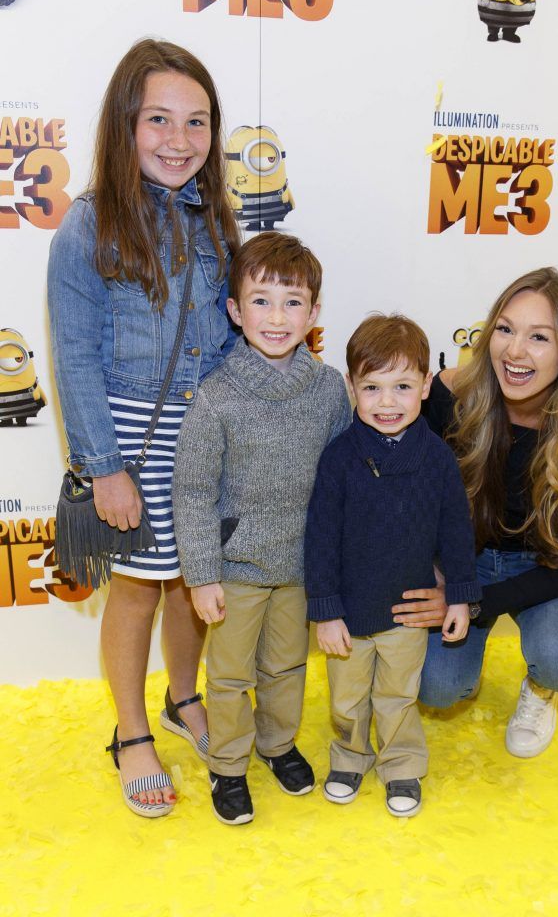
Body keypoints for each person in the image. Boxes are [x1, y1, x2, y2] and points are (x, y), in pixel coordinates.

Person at [47, 38, 240, 817]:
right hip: (127, 440)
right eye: (158, 118)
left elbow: (225, 344)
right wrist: (105, 468)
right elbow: (72, 359)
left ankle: (183, 698)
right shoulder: (86, 227)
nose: (178, 140)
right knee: (135, 592)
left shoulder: (215, 222)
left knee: (196, 587)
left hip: (200, 441)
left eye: (196, 122)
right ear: (125, 125)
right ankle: (131, 733)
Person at [392, 268, 558, 758]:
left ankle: (541, 690)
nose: (515, 351)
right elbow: (405, 493)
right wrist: (436, 571)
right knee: (437, 689)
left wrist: (470, 602)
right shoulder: (449, 397)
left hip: (543, 569)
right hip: (462, 558)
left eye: (540, 337)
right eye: (506, 329)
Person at [172, 232, 351, 826]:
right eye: (262, 300)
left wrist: (340, 563)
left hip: (301, 567)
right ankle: (228, 764)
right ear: (234, 310)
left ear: (315, 313)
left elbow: (342, 481)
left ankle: (277, 745)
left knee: (287, 667)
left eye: (293, 301)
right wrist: (201, 575)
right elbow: (194, 489)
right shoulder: (217, 395)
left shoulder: (329, 391)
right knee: (227, 675)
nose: (277, 317)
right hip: (235, 568)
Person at [304, 315, 481, 817]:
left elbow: (455, 534)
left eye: (402, 386)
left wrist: (462, 597)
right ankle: (350, 757)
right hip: (349, 616)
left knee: (398, 696)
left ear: (426, 385)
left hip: (408, 611)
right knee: (346, 698)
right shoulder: (338, 459)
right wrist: (325, 611)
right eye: (372, 387)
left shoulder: (439, 460)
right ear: (350, 388)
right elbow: (320, 539)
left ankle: (401, 766)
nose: (387, 402)